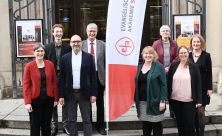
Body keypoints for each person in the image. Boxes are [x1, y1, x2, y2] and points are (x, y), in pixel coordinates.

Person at [59, 35, 97, 136]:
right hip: (69, 94)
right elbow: (62, 78)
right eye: (74, 42)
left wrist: (93, 94)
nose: (76, 43)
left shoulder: (88, 57)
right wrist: (61, 95)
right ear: (70, 43)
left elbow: (93, 77)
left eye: (78, 41)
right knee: (71, 120)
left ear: (81, 43)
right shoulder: (65, 58)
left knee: (87, 119)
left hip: (84, 93)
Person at [23, 44, 58, 136]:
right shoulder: (29, 66)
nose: (40, 53)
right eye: (37, 51)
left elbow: (54, 82)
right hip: (35, 100)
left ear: (44, 52)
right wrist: (27, 103)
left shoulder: (50, 64)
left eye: (42, 51)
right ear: (34, 52)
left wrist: (55, 99)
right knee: (35, 125)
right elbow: (26, 86)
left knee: (46, 125)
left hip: (48, 99)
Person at [167, 46, 202, 136]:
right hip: (175, 100)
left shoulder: (194, 67)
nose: (183, 55)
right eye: (181, 53)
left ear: (188, 53)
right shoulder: (174, 65)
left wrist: (199, 100)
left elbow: (198, 84)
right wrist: (166, 97)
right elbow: (168, 81)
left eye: (185, 53)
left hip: (189, 100)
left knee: (189, 122)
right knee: (180, 122)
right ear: (178, 55)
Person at [44, 24, 72, 135]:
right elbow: (45, 63)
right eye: (56, 32)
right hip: (52, 77)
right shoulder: (47, 47)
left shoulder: (67, 47)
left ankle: (65, 126)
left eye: (60, 31)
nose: (58, 33)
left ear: (62, 33)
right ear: (52, 33)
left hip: (64, 77)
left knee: (64, 102)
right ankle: (54, 126)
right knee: (53, 102)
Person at [134, 46, 167, 136]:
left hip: (155, 101)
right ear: (143, 55)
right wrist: (134, 99)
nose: (148, 55)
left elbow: (163, 85)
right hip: (142, 101)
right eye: (146, 53)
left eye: (150, 53)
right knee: (146, 123)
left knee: (156, 123)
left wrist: (162, 101)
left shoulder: (159, 67)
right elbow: (136, 84)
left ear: (154, 55)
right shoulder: (139, 67)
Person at [82, 23, 106, 135]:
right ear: (86, 31)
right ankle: (89, 125)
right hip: (86, 78)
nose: (92, 33)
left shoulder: (103, 45)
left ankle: (101, 126)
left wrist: (106, 78)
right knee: (87, 103)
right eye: (90, 31)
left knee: (100, 103)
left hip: (99, 77)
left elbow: (107, 63)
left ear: (97, 32)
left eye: (94, 31)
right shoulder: (81, 45)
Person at [152, 25, 178, 119]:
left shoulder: (174, 43)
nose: (165, 32)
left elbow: (177, 56)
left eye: (167, 31)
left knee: (172, 90)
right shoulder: (156, 44)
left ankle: (173, 112)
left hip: (172, 71)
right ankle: (160, 111)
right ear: (160, 33)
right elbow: (153, 56)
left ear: (170, 32)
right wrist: (163, 68)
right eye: (163, 31)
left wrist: (170, 67)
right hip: (159, 70)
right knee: (160, 90)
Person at [189, 34, 213, 136]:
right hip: (190, 87)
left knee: (200, 112)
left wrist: (209, 87)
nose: (196, 44)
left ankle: (201, 133)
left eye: (198, 42)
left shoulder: (206, 55)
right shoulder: (188, 55)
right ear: (191, 43)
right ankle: (195, 132)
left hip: (202, 87)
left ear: (201, 43)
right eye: (194, 42)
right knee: (193, 112)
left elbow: (209, 72)